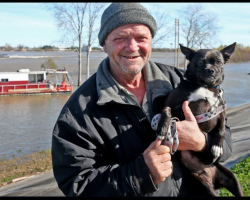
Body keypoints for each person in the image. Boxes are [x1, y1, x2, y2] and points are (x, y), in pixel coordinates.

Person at [52, 3, 233, 197]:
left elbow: (227, 144)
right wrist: (140, 175)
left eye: (141, 38)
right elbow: (76, 185)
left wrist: (201, 142)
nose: (132, 47)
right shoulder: (78, 113)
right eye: (120, 38)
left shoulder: (182, 80)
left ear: (150, 42)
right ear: (104, 45)